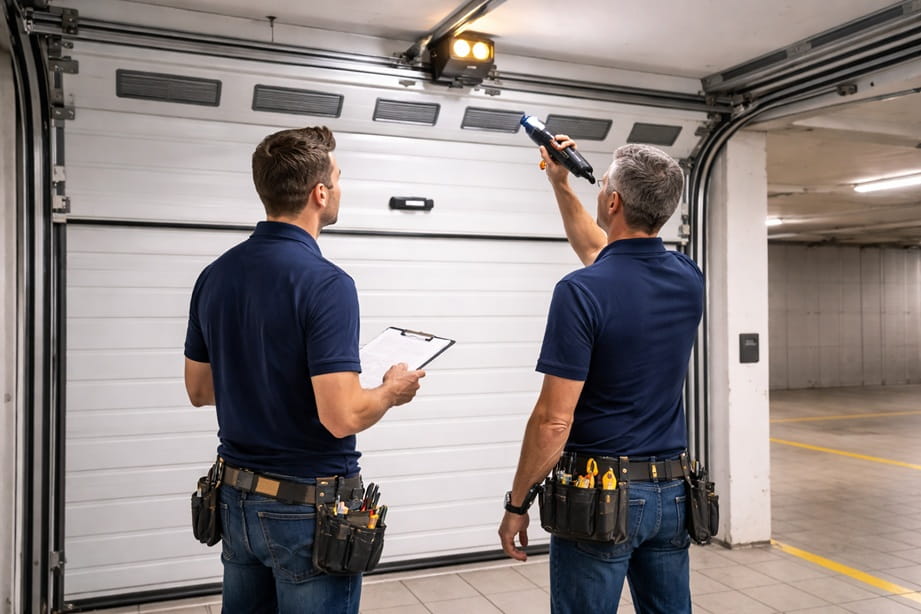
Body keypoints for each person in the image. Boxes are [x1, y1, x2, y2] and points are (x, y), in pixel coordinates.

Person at [183, 126, 425, 614]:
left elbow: (201, 389)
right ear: (320, 193)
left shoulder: (215, 275)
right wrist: (390, 390)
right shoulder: (327, 283)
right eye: (338, 178)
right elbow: (342, 417)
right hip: (306, 510)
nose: (340, 188)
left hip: (235, 497)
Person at [498, 138, 703, 614]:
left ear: (612, 202)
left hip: (599, 496)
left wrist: (517, 504)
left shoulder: (580, 291)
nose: (601, 187)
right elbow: (598, 247)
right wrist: (560, 183)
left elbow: (554, 420)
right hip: (672, 493)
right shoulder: (687, 276)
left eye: (604, 182)